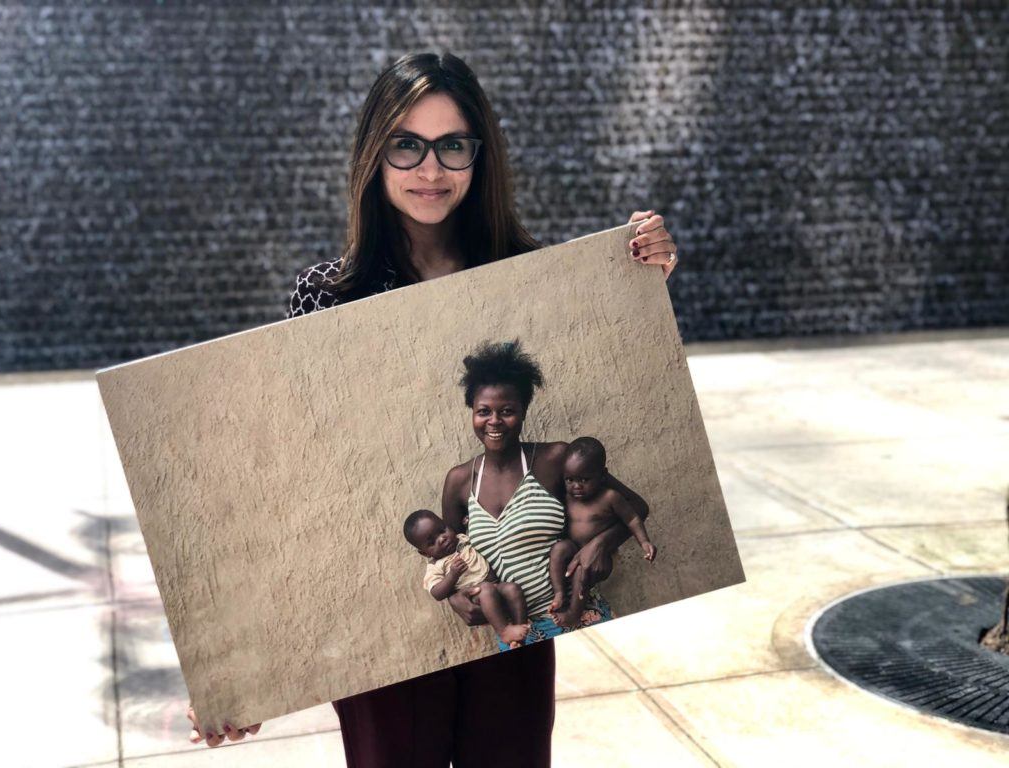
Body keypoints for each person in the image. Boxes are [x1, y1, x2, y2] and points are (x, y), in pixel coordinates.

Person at [187, 51, 679, 766]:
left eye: (453, 144)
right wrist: (236, 670)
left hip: (511, 596)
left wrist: (644, 279)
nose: (431, 168)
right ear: (373, 154)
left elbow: (627, 391)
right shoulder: (325, 298)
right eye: (406, 144)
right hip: (380, 625)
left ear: (480, 156)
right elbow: (285, 487)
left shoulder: (532, 280)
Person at [443, 340, 653, 656]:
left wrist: (600, 544)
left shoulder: (553, 459)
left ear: (524, 411)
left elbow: (636, 506)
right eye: (483, 411)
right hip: (516, 634)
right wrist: (454, 598)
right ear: (472, 412)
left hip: (579, 615)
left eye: (507, 411)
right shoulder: (460, 481)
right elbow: (446, 554)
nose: (495, 421)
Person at [548, 436, 657, 629]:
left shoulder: (610, 497)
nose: (576, 486)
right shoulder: (568, 497)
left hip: (599, 558)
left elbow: (632, 518)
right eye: (570, 479)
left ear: (603, 475)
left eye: (584, 479)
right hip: (573, 549)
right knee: (558, 549)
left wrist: (644, 542)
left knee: (582, 571)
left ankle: (574, 613)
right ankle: (558, 594)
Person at [403, 509, 530, 648]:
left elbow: (475, 536)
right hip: (477, 596)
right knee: (486, 589)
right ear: (424, 553)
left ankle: (520, 632)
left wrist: (470, 523)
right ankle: (504, 631)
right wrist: (452, 575)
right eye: (432, 542)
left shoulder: (461, 539)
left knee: (513, 588)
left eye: (442, 530)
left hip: (496, 586)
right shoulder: (435, 566)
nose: (442, 539)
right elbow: (436, 593)